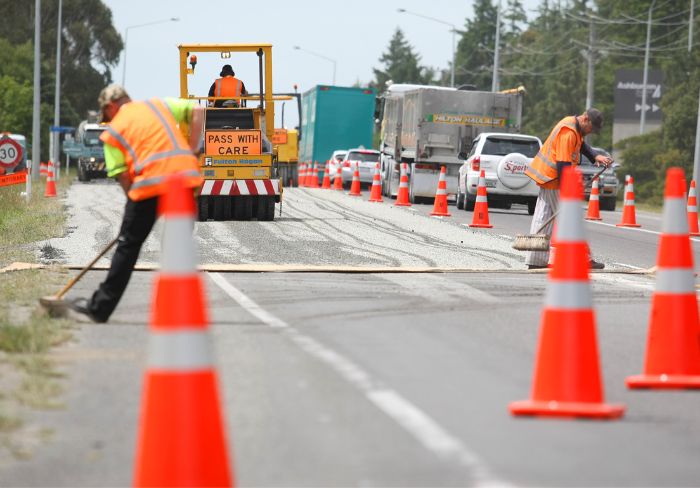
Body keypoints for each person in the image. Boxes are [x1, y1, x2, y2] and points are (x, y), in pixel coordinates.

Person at [67, 84, 204, 322]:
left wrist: (131, 221)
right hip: (185, 181)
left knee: (128, 246)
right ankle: (179, 311)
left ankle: (100, 308)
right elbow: (199, 109)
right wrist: (193, 148)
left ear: (110, 107)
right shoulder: (158, 106)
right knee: (176, 248)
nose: (107, 118)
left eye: (105, 114)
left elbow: (124, 178)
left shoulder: (113, 131)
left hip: (149, 186)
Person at [524, 108, 613, 270]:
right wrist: (568, 193)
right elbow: (563, 165)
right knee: (571, 219)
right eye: (592, 128)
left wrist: (595, 156)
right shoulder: (569, 132)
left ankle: (535, 259)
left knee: (543, 218)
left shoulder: (573, 126)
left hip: (548, 178)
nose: (591, 132)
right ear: (586, 119)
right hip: (556, 180)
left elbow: (581, 144)